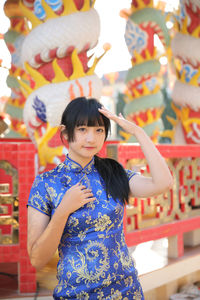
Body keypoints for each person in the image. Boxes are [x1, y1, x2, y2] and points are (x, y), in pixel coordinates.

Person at [27, 97, 173, 299]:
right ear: (66, 132)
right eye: (82, 130)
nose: (91, 139)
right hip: (76, 294)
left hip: (125, 290)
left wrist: (138, 133)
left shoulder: (113, 173)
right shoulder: (45, 184)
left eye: (99, 130)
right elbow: (37, 259)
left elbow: (163, 183)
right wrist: (63, 211)